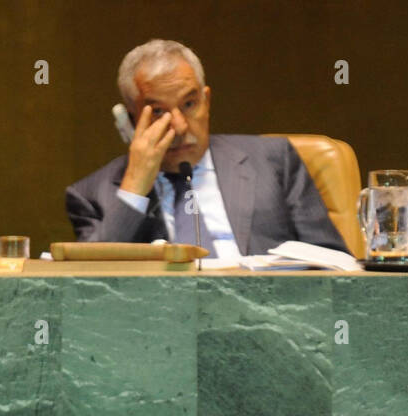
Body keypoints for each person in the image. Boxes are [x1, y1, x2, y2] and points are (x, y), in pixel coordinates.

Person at [65, 39, 349, 258]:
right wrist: (134, 189)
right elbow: (89, 288)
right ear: (131, 120)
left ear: (206, 101)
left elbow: (337, 267)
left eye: (189, 104)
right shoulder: (91, 195)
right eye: (158, 112)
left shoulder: (274, 161)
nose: (179, 126)